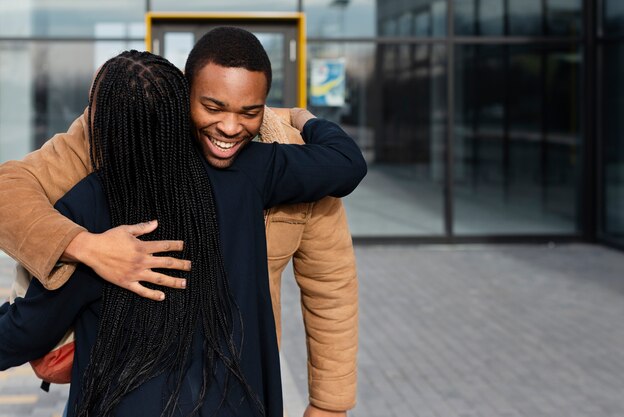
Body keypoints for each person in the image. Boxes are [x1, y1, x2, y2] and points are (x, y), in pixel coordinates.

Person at [0, 27, 358, 416]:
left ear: (100, 127)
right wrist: (307, 119)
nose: (230, 126)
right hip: (240, 400)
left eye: (249, 111)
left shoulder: (88, 208)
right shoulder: (255, 173)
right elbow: (345, 163)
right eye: (214, 107)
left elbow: (26, 330)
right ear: (182, 104)